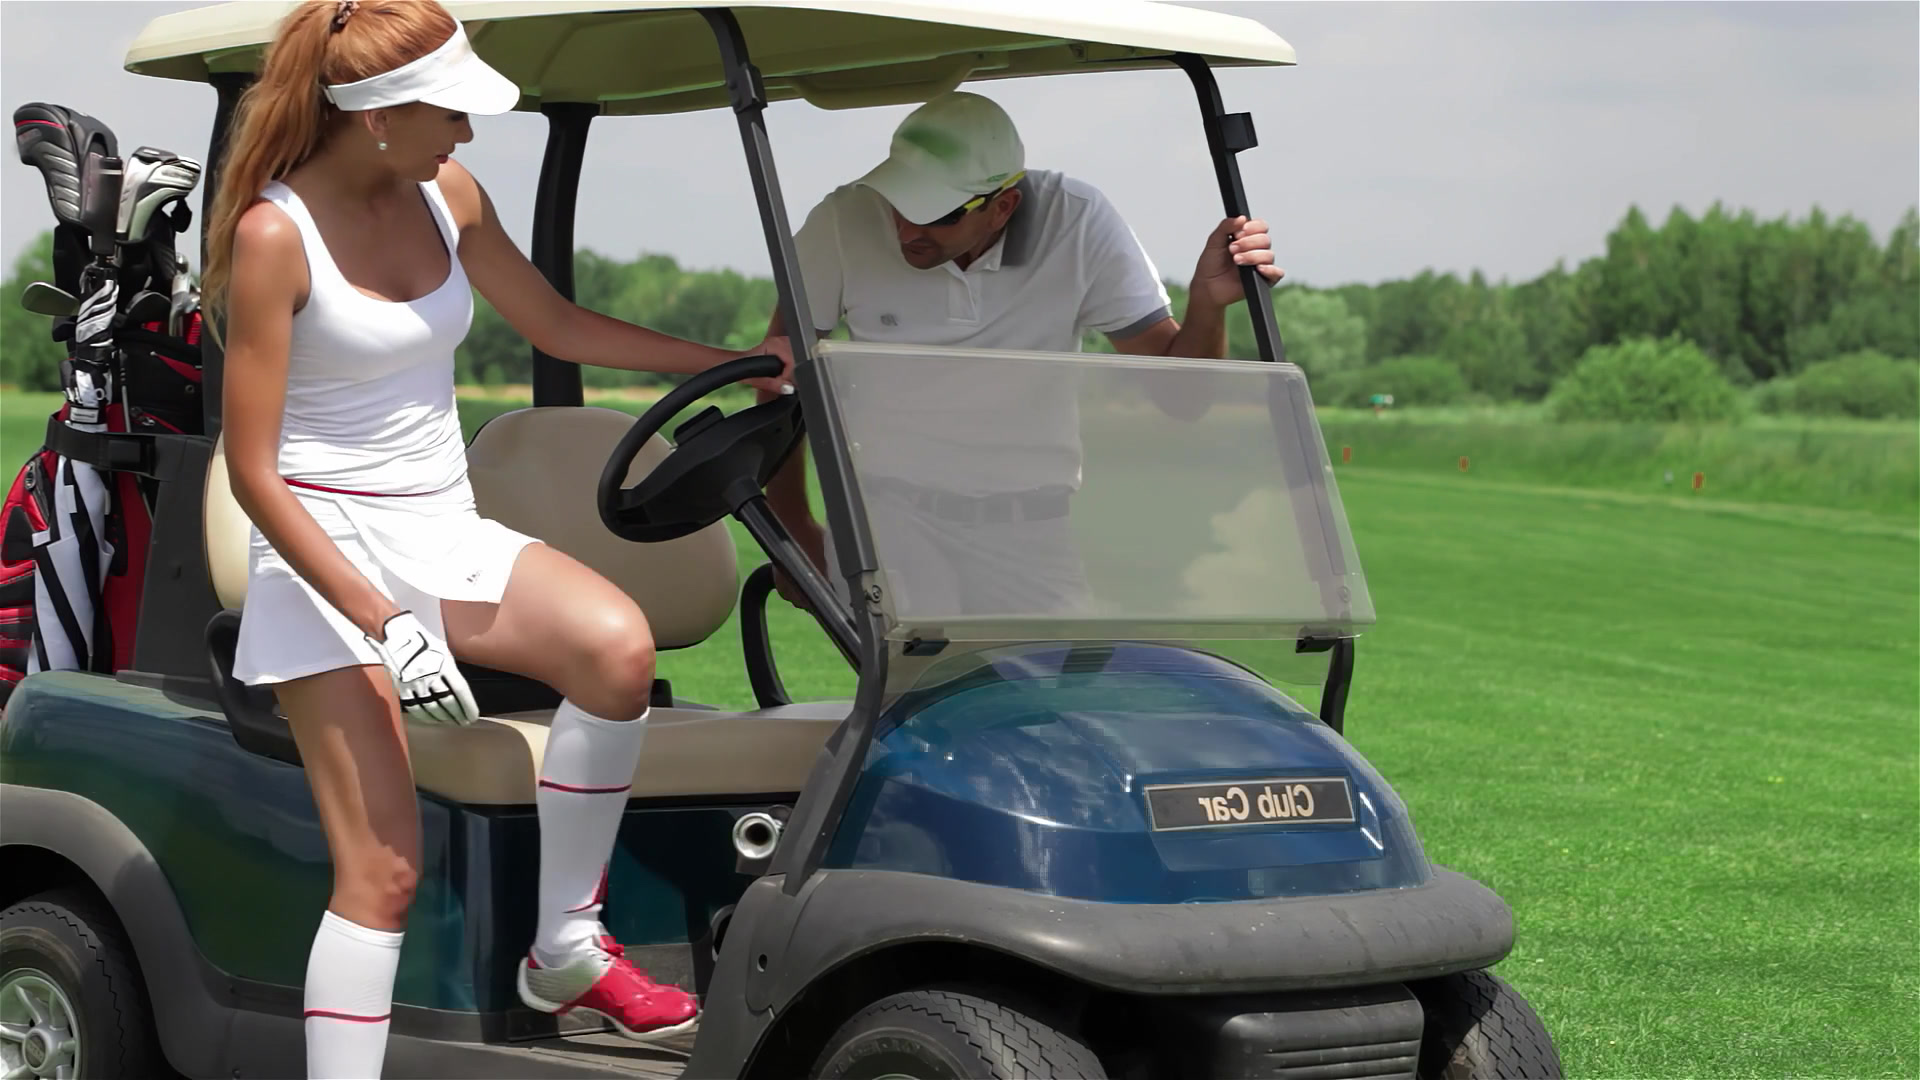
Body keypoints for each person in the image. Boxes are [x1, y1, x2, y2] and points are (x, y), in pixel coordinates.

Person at [200, 3, 793, 1076]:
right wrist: (385, 623)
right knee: (382, 871)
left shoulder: (449, 193)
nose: (468, 134)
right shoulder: (273, 236)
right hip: (322, 552)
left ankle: (564, 950)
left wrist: (727, 362)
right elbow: (255, 473)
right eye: (452, 113)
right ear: (378, 117)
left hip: (441, 526)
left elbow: (556, 323)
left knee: (616, 649)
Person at [760, 91, 1282, 616]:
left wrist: (1207, 305)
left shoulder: (1078, 220)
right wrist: (791, 529)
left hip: (1031, 523)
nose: (907, 230)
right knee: (918, 665)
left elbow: (1183, 400)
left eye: (936, 214)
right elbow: (780, 378)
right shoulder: (844, 218)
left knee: (1055, 669)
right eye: (899, 203)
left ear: (1003, 207)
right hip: (888, 519)